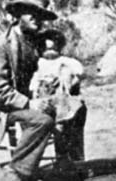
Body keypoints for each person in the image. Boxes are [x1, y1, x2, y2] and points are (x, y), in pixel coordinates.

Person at [0, 0, 86, 181]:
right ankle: (17, 172)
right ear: (18, 14)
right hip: (2, 109)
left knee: (76, 106)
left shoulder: (33, 42)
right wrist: (30, 104)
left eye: (40, 15)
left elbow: (44, 70)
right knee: (42, 120)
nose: (36, 18)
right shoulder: (2, 45)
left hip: (29, 101)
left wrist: (64, 78)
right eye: (31, 12)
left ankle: (69, 163)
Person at [30, 29, 87, 162]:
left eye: (54, 47)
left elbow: (80, 71)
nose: (50, 51)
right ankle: (62, 159)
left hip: (64, 99)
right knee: (58, 126)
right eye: (46, 48)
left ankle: (75, 159)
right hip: (44, 101)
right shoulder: (38, 63)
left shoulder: (65, 60)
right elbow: (33, 84)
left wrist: (68, 76)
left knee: (74, 115)